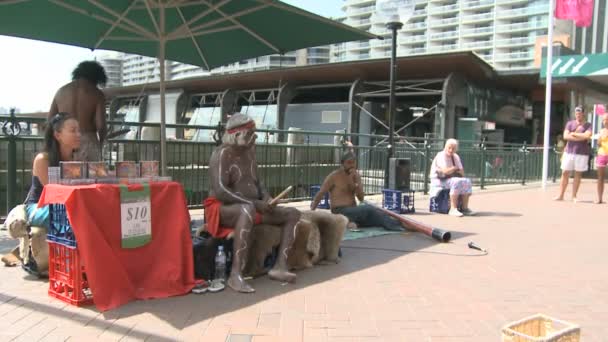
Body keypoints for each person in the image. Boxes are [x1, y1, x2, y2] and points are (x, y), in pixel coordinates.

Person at [206, 113, 300, 293]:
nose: (254, 137)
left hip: (250, 206)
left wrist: (267, 199)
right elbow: (221, 192)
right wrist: (256, 204)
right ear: (236, 135)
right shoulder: (222, 154)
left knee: (293, 214)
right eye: (249, 133)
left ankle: (280, 266)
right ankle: (235, 275)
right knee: (247, 210)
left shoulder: (250, 152)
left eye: (254, 133)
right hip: (223, 209)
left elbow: (258, 184)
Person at [11, 113, 81, 275]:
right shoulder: (43, 159)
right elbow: (53, 193)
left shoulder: (76, 160)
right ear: (57, 135)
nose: (79, 134)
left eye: (79, 130)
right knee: (76, 215)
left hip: (66, 205)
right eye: (73, 130)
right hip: (39, 207)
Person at [310, 151, 404, 232]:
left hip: (354, 211)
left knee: (376, 217)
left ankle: (399, 223)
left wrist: (357, 183)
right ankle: (396, 225)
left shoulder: (356, 176)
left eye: (353, 163)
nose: (351, 165)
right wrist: (312, 212)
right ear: (343, 164)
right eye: (349, 163)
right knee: (369, 209)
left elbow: (361, 198)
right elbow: (321, 193)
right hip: (340, 210)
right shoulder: (334, 176)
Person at [49, 61, 106, 161]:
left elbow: (50, 120)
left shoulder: (61, 91)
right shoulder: (97, 94)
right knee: (92, 176)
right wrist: (101, 144)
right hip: (88, 141)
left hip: (65, 140)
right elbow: (101, 126)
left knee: (65, 174)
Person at [555, 106, 592, 202]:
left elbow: (587, 136)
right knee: (564, 173)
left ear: (583, 113)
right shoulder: (570, 123)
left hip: (581, 153)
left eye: (579, 113)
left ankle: (574, 196)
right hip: (569, 152)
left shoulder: (588, 125)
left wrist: (574, 134)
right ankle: (561, 195)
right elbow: (565, 136)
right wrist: (580, 136)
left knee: (578, 174)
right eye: (576, 113)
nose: (578, 115)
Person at [429, 139, 474, 217]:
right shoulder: (441, 155)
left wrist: (452, 169)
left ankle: (464, 208)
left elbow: (462, 172)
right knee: (456, 181)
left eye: (453, 148)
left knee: (467, 181)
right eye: (449, 148)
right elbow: (445, 171)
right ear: (445, 147)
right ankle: (453, 209)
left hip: (450, 179)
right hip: (438, 180)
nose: (451, 150)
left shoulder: (456, 156)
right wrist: (454, 168)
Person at [595, 114, 608, 204]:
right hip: (602, 154)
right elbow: (598, 143)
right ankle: (599, 198)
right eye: (603, 120)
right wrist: (600, 139)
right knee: (600, 177)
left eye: (606, 119)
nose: (605, 121)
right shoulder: (601, 131)